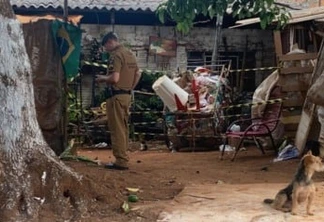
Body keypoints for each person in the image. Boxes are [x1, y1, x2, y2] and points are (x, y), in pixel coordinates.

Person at [96, 32, 141, 170]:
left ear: (110, 42)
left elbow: (114, 78)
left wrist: (103, 78)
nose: (106, 49)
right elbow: (138, 73)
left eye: (106, 46)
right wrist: (129, 89)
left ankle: (121, 160)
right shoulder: (130, 54)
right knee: (124, 127)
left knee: (117, 129)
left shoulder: (116, 55)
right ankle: (123, 156)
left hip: (116, 96)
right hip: (126, 96)